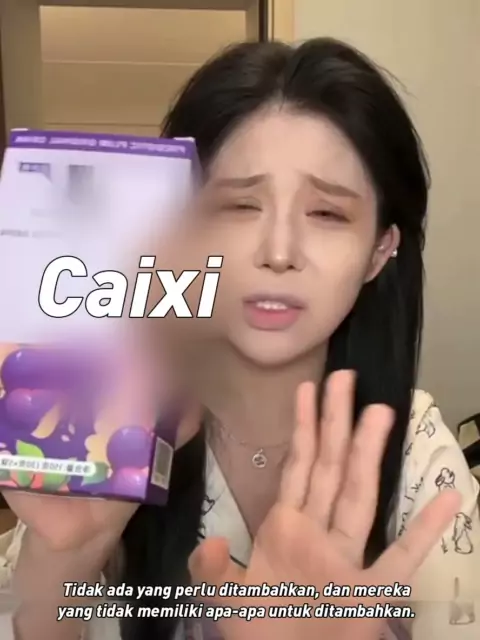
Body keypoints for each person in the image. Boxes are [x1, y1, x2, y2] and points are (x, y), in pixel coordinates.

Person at [0, 38, 479, 640]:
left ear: (380, 251)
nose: (279, 252)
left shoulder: (415, 454)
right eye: (238, 206)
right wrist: (67, 557)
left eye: (327, 214)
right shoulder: (109, 428)